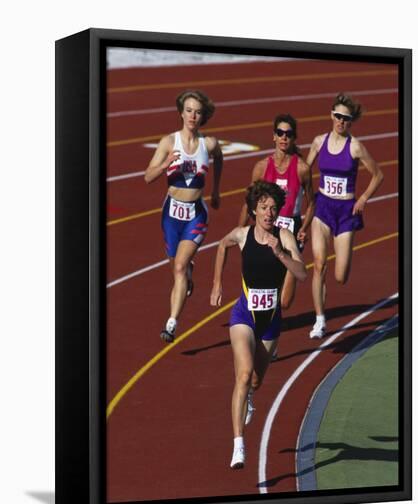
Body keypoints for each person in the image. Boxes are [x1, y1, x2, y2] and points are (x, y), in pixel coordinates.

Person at [210, 181, 307, 469]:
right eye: (264, 207)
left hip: (271, 321)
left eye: (274, 208)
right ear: (254, 209)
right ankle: (238, 444)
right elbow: (221, 246)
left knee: (255, 380)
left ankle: (251, 396)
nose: (269, 212)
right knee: (242, 375)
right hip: (244, 315)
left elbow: (301, 273)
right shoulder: (242, 235)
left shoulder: (285, 236)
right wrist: (216, 282)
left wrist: (280, 253)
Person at [145, 90, 223, 343]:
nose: (193, 115)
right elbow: (148, 177)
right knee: (176, 268)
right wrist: (166, 163)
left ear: (203, 116)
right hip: (171, 214)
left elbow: (219, 159)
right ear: (181, 112)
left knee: (178, 267)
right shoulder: (169, 142)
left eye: (198, 111)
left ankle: (171, 323)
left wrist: (216, 190)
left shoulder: (208, 144)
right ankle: (188, 274)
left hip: (195, 215)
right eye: (189, 110)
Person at [306, 93, 383, 339]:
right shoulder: (319, 142)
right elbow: (304, 171)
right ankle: (319, 320)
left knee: (340, 276)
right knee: (319, 264)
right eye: (337, 116)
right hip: (323, 208)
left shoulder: (356, 146)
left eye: (346, 118)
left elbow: (378, 175)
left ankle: (322, 313)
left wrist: (362, 199)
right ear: (331, 115)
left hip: (346, 212)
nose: (340, 121)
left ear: (351, 122)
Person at [238, 114, 314, 311]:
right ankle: (265, 322)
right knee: (265, 277)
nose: (284, 137)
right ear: (274, 136)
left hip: (291, 230)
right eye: (280, 133)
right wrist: (240, 230)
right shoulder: (262, 167)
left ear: (294, 137)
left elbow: (312, 203)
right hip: (266, 228)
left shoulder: (302, 169)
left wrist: (304, 228)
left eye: (288, 134)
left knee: (285, 301)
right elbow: (249, 202)